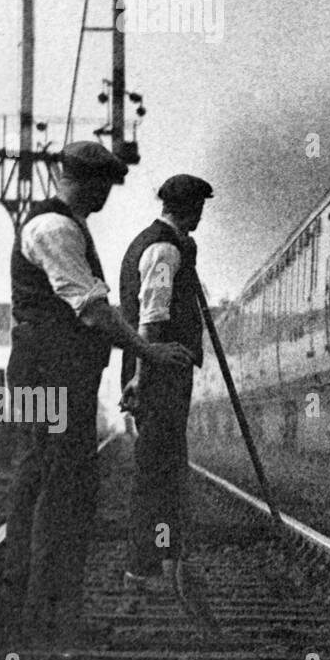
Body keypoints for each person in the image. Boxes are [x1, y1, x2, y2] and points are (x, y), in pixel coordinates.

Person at [5, 141, 194, 646]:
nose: (109, 196)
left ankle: (30, 615)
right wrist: (148, 354)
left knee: (39, 482)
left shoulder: (64, 225)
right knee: (64, 491)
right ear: (85, 181)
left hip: (46, 374)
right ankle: (47, 622)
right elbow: (90, 310)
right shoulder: (56, 229)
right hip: (51, 377)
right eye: (105, 186)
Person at [118, 174, 213, 611]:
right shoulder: (164, 250)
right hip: (160, 376)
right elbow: (151, 319)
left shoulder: (166, 246)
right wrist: (142, 375)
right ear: (191, 208)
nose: (201, 215)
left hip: (158, 373)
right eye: (200, 206)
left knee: (164, 470)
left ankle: (164, 561)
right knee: (156, 472)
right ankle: (144, 567)